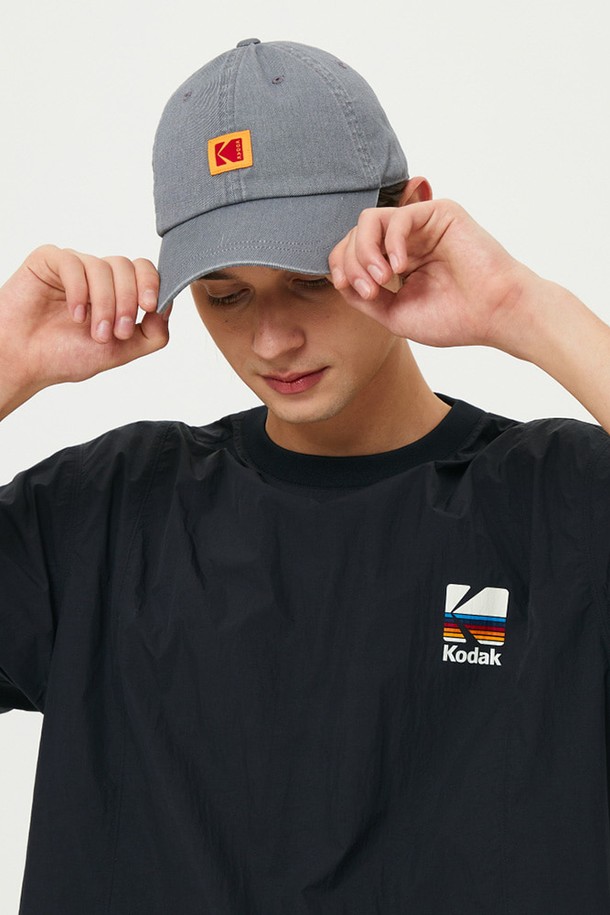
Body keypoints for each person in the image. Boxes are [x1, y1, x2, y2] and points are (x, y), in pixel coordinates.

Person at [2, 37, 610, 915]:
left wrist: (523, 305)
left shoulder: (560, 504)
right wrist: (5, 361)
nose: (272, 339)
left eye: (310, 281)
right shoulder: (106, 512)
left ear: (410, 221)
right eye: (226, 295)